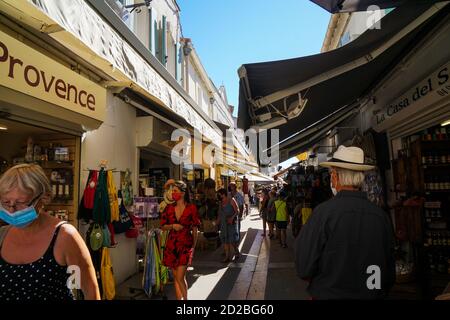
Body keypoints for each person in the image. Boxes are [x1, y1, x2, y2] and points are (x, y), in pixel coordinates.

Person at [294, 146, 396, 300]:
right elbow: (389, 273)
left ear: (335, 177)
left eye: (332, 174)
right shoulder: (380, 216)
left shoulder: (323, 213)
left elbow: (304, 267)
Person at [0, 164, 100, 300]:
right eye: (6, 202)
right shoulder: (2, 235)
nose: (12, 210)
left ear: (44, 198)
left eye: (21, 202)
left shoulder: (65, 237)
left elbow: (90, 292)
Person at [160, 180, 200, 300]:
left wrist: (193, 247)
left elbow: (195, 229)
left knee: (180, 277)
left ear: (182, 193)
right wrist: (172, 226)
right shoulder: (169, 208)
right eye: (172, 191)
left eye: (175, 191)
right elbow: (162, 226)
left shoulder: (191, 208)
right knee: (176, 277)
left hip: (185, 245)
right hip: (171, 245)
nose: (173, 193)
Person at [215, 188, 240, 263]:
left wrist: (232, 218)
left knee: (232, 241)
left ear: (224, 194)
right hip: (224, 224)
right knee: (225, 240)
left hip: (231, 224)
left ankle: (236, 251)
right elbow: (220, 214)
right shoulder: (220, 202)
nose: (219, 197)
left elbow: (237, 211)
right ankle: (227, 257)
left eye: (220, 195)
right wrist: (217, 223)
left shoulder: (231, 200)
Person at [228, 182, 243, 259]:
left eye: (232, 186)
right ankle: (229, 250)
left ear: (235, 186)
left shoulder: (239, 195)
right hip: (228, 216)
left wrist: (240, 216)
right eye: (230, 186)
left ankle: (236, 247)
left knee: (236, 232)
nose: (230, 187)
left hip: (236, 216)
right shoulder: (228, 194)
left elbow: (241, 206)